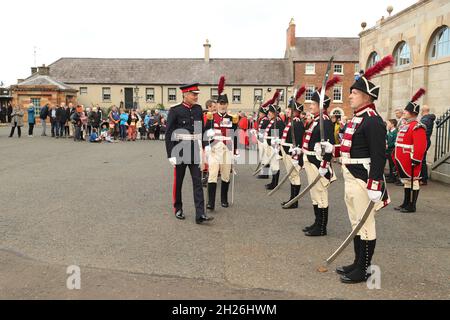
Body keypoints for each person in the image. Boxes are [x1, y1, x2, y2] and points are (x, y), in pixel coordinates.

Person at [337, 55, 393, 284]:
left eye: (354, 93)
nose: (350, 96)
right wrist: (332, 148)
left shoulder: (372, 120)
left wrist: (375, 185)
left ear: (367, 97)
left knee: (366, 225)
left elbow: (379, 156)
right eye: (351, 92)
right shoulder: (356, 119)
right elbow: (351, 148)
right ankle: (358, 262)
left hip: (363, 179)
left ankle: (365, 268)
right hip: (351, 176)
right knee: (355, 222)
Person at [165, 83, 213, 225]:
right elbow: (168, 134)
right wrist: (170, 154)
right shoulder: (175, 110)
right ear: (185, 95)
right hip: (179, 149)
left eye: (197, 94)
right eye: (194, 94)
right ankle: (178, 208)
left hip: (194, 149)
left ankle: (200, 214)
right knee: (178, 181)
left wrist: (206, 146)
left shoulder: (198, 109)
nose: (196, 97)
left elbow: (201, 130)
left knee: (197, 181)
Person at [299, 78, 338, 237]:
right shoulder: (316, 121)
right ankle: (317, 222)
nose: (310, 106)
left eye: (313, 104)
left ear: (321, 106)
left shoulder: (325, 122)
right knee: (314, 194)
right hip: (310, 160)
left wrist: (324, 164)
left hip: (318, 163)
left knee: (321, 194)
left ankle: (322, 227)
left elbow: (329, 145)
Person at [204, 77, 238, 211]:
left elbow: (235, 135)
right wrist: (206, 144)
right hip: (214, 148)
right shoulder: (211, 117)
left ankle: (224, 199)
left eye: (225, 103)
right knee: (212, 174)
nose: (223, 105)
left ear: (227, 105)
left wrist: (235, 151)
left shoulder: (232, 118)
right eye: (220, 103)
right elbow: (205, 132)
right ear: (217, 104)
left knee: (225, 175)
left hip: (227, 149)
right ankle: (210, 202)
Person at [394, 89, 427, 213]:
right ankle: (406, 202)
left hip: (411, 158)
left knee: (414, 182)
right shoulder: (406, 125)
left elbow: (420, 145)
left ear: (412, 113)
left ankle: (412, 205)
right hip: (403, 158)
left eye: (406, 111)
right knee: (407, 181)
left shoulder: (417, 126)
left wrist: (416, 159)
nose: (404, 112)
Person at [280, 87, 305, 209]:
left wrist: (296, 157)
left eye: (290, 109)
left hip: (292, 153)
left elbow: (298, 142)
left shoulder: (297, 123)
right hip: (287, 151)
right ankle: (292, 199)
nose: (288, 111)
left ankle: (294, 201)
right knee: (291, 176)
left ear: (296, 112)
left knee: (295, 176)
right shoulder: (290, 122)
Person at [419, 105, 435, 185]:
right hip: (426, 140)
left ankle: (423, 179)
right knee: (422, 159)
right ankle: (422, 178)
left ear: (423, 111)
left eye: (421, 110)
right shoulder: (428, 119)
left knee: (422, 160)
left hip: (424, 141)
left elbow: (421, 131)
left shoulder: (425, 119)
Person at [385, 119, 398, 183]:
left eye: (388, 123)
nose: (387, 125)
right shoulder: (390, 131)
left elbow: (395, 142)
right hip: (388, 150)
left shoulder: (395, 132)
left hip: (392, 150)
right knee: (390, 163)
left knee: (392, 164)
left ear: (392, 124)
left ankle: (393, 178)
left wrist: (388, 145)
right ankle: (390, 175)